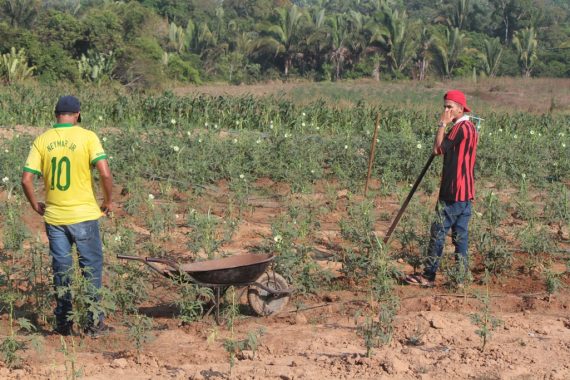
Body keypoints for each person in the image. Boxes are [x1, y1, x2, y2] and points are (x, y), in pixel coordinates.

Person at [21, 95, 114, 337]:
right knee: (90, 268)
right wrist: (107, 201)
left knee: (62, 269)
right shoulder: (87, 136)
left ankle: (63, 324)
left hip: (55, 218)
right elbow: (104, 173)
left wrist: (34, 205)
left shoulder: (43, 140)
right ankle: (94, 324)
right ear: (78, 114)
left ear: (56, 115)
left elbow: (26, 179)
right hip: (84, 215)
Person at [405, 90, 479, 287]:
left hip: (453, 193)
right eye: (444, 106)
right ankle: (460, 279)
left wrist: (442, 125)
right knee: (460, 236)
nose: (446, 110)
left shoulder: (458, 128)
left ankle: (428, 276)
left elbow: (438, 149)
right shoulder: (471, 127)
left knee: (438, 232)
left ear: (460, 108)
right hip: (466, 193)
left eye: (450, 107)